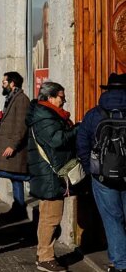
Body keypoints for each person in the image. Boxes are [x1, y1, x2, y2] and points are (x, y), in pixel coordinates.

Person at [77, 73, 126, 272]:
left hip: (103, 175)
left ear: (107, 89)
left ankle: (122, 263)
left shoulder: (94, 113)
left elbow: (82, 144)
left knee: (112, 219)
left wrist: (91, 170)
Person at [26, 82, 77, 272]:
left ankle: (44, 255)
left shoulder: (45, 114)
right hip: (49, 174)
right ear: (50, 98)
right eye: (61, 97)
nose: (64, 101)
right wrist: (77, 130)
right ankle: (45, 258)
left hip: (48, 173)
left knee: (48, 216)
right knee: (51, 217)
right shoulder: (45, 117)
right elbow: (56, 140)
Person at [0, 71, 31, 221]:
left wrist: (13, 146)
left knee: (0, 171)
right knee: (15, 179)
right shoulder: (11, 98)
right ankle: (18, 207)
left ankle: (29, 179)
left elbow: (22, 126)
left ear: (12, 83)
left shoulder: (21, 100)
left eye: (4, 82)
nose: (2, 85)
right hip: (10, 145)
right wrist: (1, 119)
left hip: (15, 148)